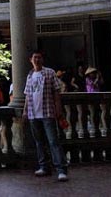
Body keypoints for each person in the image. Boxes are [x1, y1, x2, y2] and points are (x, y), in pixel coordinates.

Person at [24, 50, 68, 182]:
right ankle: (44, 166)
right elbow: (27, 95)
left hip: (48, 112)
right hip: (33, 113)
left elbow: (56, 92)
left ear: (42, 60)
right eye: (35, 58)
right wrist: (25, 111)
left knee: (53, 141)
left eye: (39, 57)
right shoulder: (30, 75)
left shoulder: (50, 72)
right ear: (30, 60)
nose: (37, 60)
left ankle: (61, 169)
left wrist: (58, 109)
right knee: (39, 142)